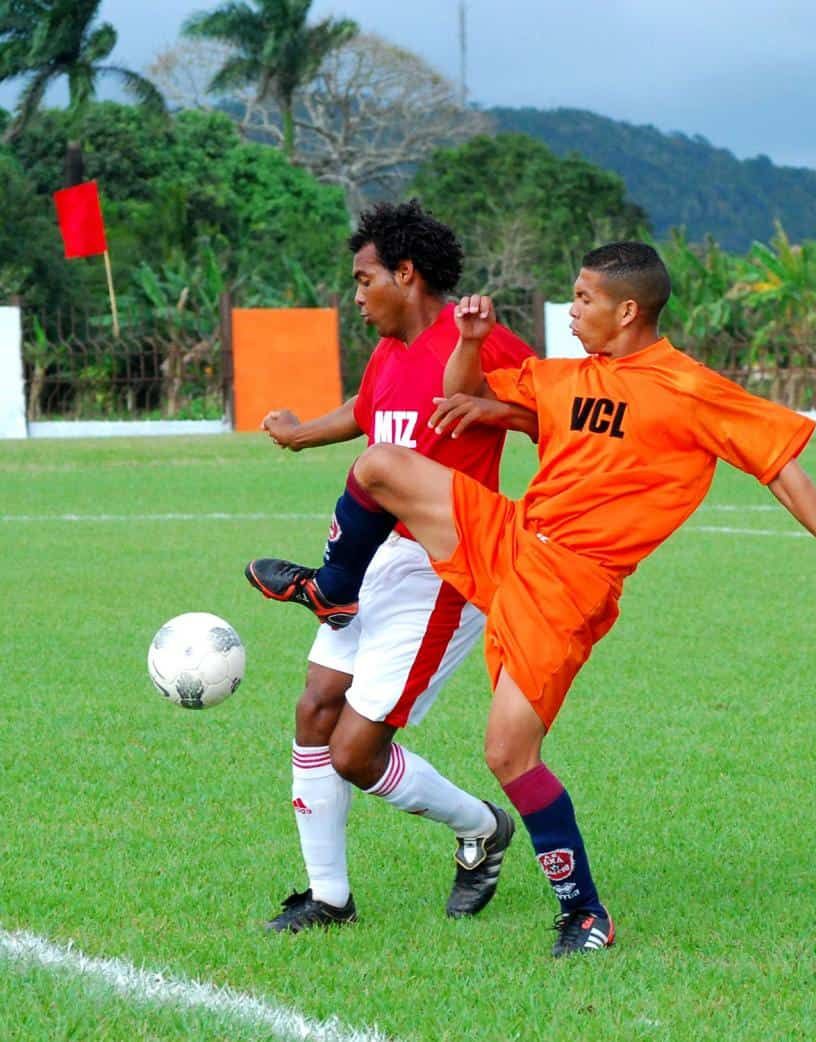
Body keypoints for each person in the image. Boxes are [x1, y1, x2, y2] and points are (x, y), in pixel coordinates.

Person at [256, 241, 816, 956]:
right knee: (381, 463)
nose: (572, 312)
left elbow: (780, 465)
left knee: (508, 754)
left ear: (628, 310)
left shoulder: (688, 389)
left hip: (569, 584)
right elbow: (458, 398)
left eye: (585, 300)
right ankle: (333, 589)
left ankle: (584, 912)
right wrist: (470, 344)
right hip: (511, 538)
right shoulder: (565, 378)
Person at [246, 200, 535, 933]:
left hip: (445, 570)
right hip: (379, 553)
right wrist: (299, 435)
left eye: (363, 278)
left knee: (354, 753)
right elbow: (370, 411)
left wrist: (498, 415)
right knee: (315, 706)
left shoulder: (481, 341)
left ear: (405, 274)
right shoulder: (389, 350)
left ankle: (480, 827)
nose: (357, 295)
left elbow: (548, 412)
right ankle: (329, 898)